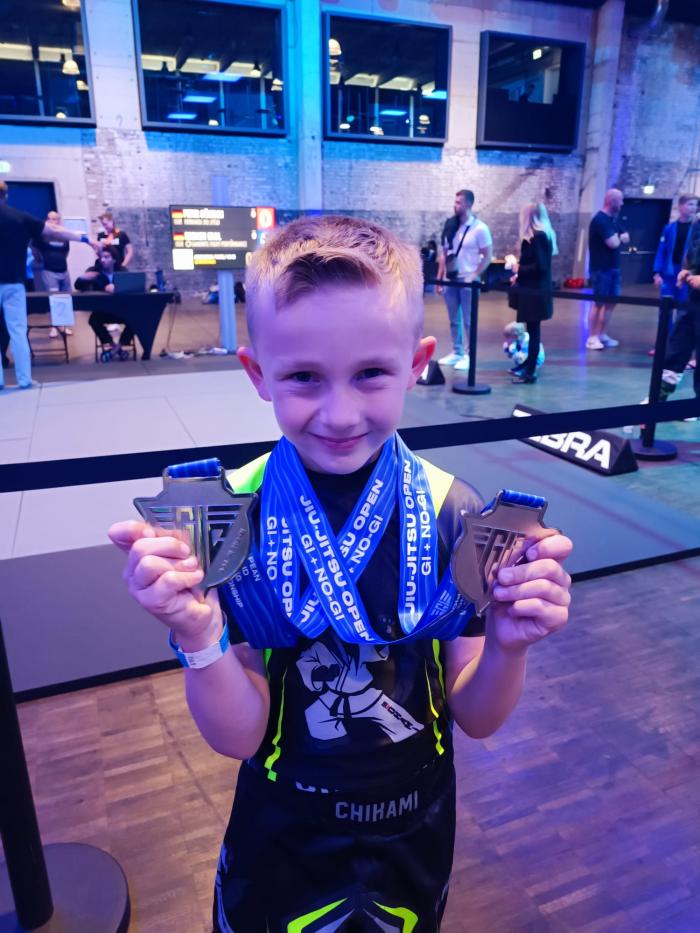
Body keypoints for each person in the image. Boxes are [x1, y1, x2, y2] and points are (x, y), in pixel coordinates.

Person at [108, 215, 573, 930]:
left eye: (370, 374)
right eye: (303, 377)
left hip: (417, 824)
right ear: (258, 374)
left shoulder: (454, 511)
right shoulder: (227, 515)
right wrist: (198, 636)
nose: (339, 413)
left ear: (416, 364)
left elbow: (478, 717)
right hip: (281, 829)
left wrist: (510, 644)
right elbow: (238, 736)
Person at [0, 180, 97, 391]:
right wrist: (86, 239)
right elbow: (55, 232)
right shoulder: (19, 218)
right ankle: (24, 380)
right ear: (6, 195)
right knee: (17, 331)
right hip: (13, 283)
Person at [437, 189, 493, 371]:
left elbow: (487, 256)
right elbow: (444, 253)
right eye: (455, 202)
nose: (455, 205)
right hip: (451, 279)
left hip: (468, 280)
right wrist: (440, 277)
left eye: (459, 202)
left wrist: (474, 275)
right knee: (454, 319)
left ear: (469, 204)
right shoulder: (451, 226)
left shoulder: (480, 229)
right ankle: (457, 351)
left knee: (469, 320)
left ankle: (470, 355)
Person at [509, 202, 557, 384]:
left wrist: (518, 269)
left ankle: (530, 372)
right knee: (532, 330)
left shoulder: (539, 237)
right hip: (532, 290)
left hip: (536, 292)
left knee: (534, 332)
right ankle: (528, 364)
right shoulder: (536, 237)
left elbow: (541, 267)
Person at [659, 217, 700, 405]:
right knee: (677, 346)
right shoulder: (697, 223)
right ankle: (658, 397)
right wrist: (686, 270)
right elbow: (691, 254)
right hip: (692, 300)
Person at [75, 245, 134, 361]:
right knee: (93, 320)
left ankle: (116, 349)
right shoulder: (94, 271)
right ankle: (115, 348)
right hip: (103, 310)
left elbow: (130, 287)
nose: (103, 260)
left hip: (121, 310)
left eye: (106, 257)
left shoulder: (122, 271)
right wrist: (83, 277)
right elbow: (78, 285)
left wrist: (116, 288)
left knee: (136, 318)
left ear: (114, 259)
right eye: (101, 257)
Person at [586, 188, 629, 350]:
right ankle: (592, 337)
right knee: (598, 302)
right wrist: (620, 238)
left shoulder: (613, 220)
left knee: (611, 302)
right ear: (612, 201)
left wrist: (620, 237)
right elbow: (613, 243)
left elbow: (626, 236)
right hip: (600, 269)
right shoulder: (600, 220)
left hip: (614, 267)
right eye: (620, 200)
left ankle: (602, 334)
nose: (622, 203)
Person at [31, 209, 74, 337]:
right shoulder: (42, 235)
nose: (51, 221)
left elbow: (66, 252)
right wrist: (39, 259)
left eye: (54, 219)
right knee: (54, 299)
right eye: (49, 218)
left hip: (64, 271)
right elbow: (34, 248)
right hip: (49, 272)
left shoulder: (64, 236)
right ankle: (55, 327)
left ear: (58, 221)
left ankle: (64, 326)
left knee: (65, 299)